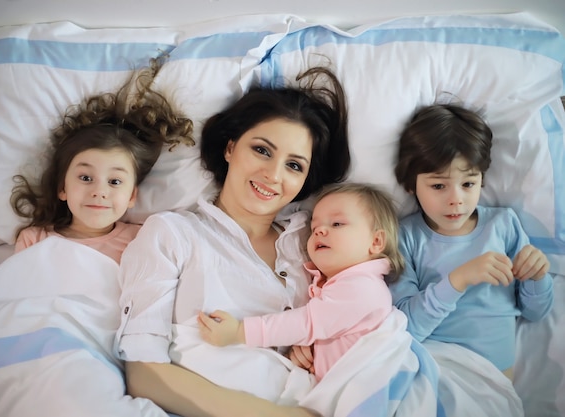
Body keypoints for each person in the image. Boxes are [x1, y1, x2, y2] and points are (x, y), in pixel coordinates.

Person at [115, 66, 351, 417]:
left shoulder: (316, 242)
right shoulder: (173, 233)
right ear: (230, 148)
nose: (273, 175)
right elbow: (143, 372)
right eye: (262, 150)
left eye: (295, 166)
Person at [390, 103, 554, 380]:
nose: (456, 199)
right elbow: (406, 326)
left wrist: (538, 276)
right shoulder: (405, 236)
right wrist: (457, 280)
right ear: (410, 184)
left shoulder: (503, 225)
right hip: (432, 369)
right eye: (438, 186)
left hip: (492, 378)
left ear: (482, 180)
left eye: (468, 184)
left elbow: (535, 313)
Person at [197, 182, 404, 382]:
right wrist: (311, 350)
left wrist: (240, 332)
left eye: (337, 224)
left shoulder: (362, 287)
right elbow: (321, 330)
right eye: (314, 228)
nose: (320, 231)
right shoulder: (336, 285)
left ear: (376, 242)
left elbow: (308, 323)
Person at [10, 61, 194, 264]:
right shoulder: (34, 240)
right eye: (86, 177)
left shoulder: (142, 239)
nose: (99, 191)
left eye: (115, 181)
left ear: (132, 195)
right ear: (63, 187)